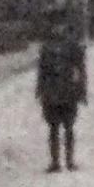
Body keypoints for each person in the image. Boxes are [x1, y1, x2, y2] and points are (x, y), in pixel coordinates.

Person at [36, 17, 87, 172]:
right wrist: (40, 90)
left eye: (60, 25)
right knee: (53, 128)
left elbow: (81, 70)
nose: (57, 29)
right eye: (55, 26)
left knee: (69, 127)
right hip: (51, 93)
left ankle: (70, 161)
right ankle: (55, 162)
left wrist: (81, 91)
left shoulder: (73, 46)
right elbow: (42, 71)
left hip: (68, 92)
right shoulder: (46, 48)